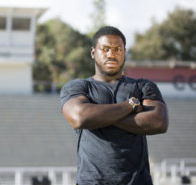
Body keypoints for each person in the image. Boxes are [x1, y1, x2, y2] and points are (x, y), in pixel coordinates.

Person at [60, 26, 169, 185]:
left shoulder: (143, 86)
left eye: (117, 49)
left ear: (124, 52)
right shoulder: (78, 87)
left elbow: (159, 122)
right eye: (105, 49)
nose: (111, 54)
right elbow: (79, 117)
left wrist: (97, 116)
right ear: (93, 52)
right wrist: (130, 106)